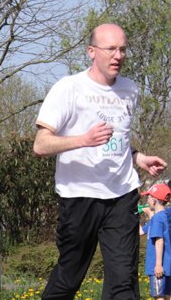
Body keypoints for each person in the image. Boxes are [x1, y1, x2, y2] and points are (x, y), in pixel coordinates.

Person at [33, 23, 168, 299]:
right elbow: (41, 144)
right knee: (69, 276)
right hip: (78, 195)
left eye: (122, 49)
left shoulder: (130, 90)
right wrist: (83, 140)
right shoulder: (69, 88)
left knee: (124, 280)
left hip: (122, 194)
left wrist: (138, 157)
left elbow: (119, 141)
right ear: (91, 51)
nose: (118, 56)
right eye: (111, 49)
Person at [139, 184, 171, 300]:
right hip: (167, 265)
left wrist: (158, 265)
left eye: (148, 197)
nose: (147, 201)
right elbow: (140, 231)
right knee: (167, 295)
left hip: (158, 267)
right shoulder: (164, 217)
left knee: (158, 296)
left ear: (154, 200)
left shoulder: (157, 219)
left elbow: (159, 241)